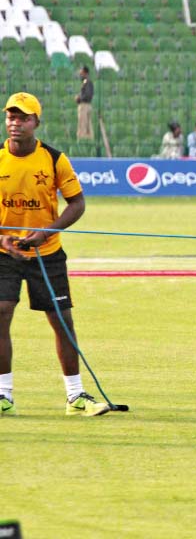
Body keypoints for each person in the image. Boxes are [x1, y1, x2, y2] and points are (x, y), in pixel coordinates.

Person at [0, 92, 109, 417]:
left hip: (47, 254)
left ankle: (75, 396)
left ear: (36, 122)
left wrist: (46, 232)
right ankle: (3, 395)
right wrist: (4, 239)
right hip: (5, 254)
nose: (15, 123)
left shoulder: (54, 158)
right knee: (1, 312)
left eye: (23, 117)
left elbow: (77, 203)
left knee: (62, 321)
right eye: (10, 117)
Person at [75, 65, 93, 141]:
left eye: (81, 72)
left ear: (85, 73)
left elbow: (87, 95)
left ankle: (82, 141)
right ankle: (89, 140)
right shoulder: (87, 82)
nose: (80, 74)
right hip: (87, 105)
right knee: (88, 125)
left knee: (83, 124)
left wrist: (79, 98)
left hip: (84, 105)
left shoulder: (87, 82)